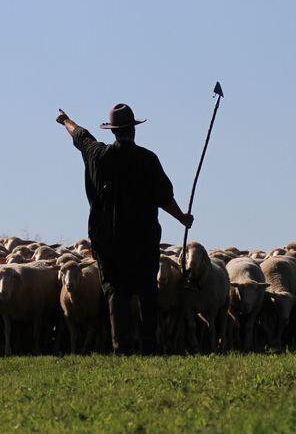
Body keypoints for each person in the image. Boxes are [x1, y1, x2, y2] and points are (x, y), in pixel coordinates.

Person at [56, 103, 193, 354]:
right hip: (143, 241)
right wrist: (181, 218)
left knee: (116, 295)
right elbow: (164, 197)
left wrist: (66, 120)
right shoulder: (148, 159)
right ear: (133, 130)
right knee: (147, 293)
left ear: (112, 131)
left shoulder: (97, 155)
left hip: (108, 243)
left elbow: (81, 136)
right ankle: (150, 347)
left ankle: (122, 349)